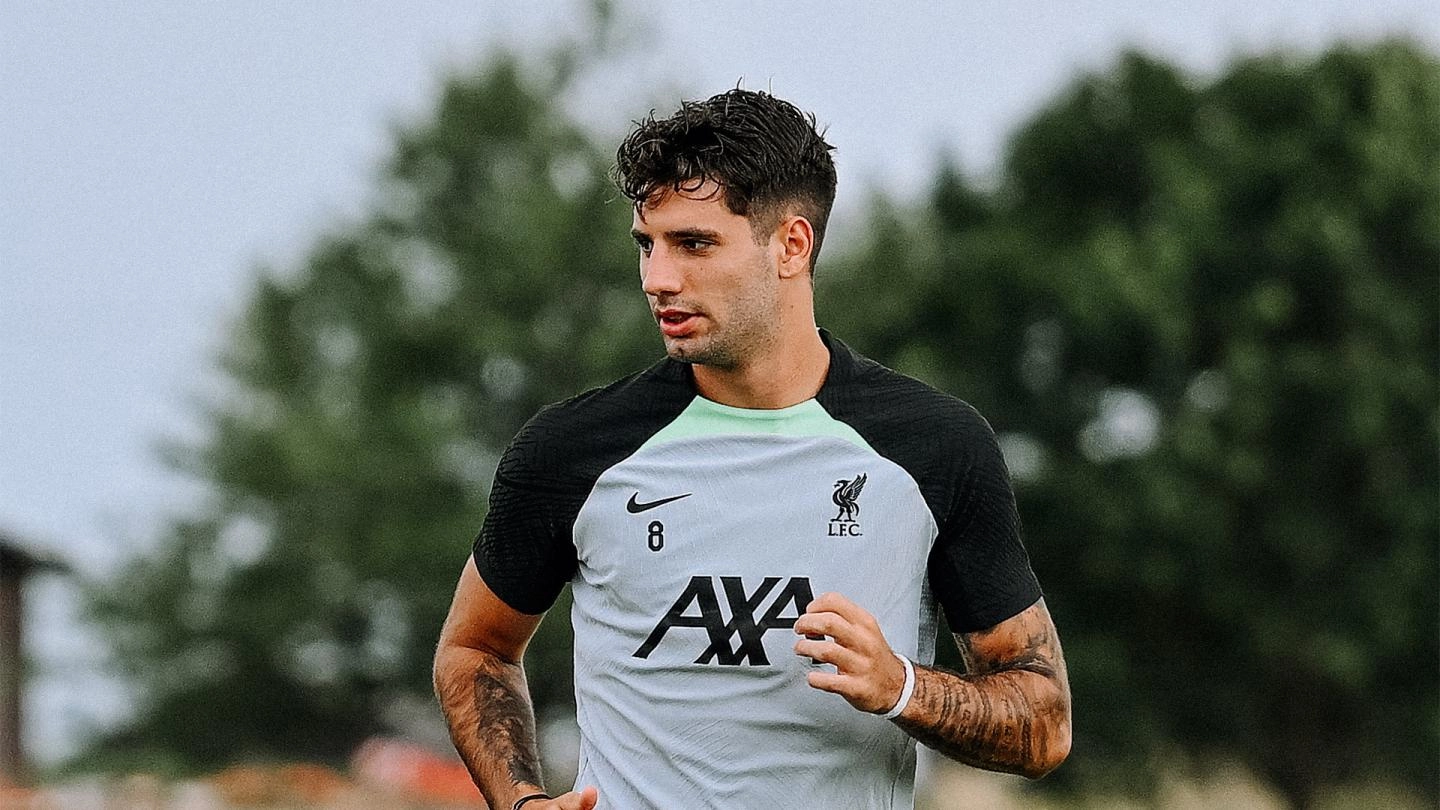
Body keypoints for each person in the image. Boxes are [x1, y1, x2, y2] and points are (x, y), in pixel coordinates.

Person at [434, 88, 1071, 810]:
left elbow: (1043, 724)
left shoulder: (933, 448)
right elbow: (475, 649)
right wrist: (519, 799)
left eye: (694, 244)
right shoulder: (571, 450)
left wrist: (902, 687)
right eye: (647, 243)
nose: (657, 279)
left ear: (791, 245)